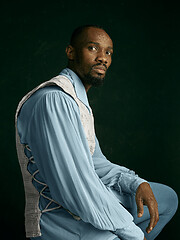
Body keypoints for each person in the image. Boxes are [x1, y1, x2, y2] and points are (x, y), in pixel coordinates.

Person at [15, 25, 178, 240]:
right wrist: (130, 232)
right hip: (60, 220)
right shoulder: (54, 100)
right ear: (71, 52)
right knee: (124, 234)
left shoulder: (76, 99)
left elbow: (96, 164)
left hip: (86, 204)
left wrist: (137, 183)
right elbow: (74, 187)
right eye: (93, 48)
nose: (103, 58)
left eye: (108, 52)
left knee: (167, 198)